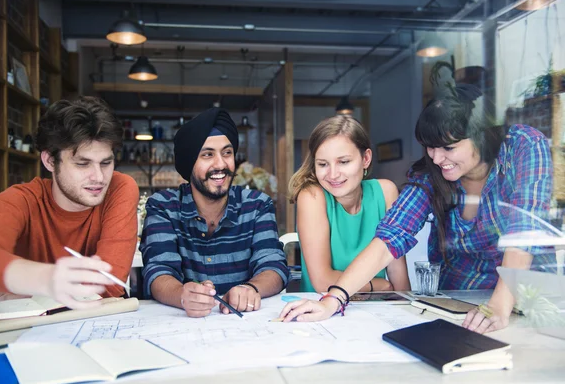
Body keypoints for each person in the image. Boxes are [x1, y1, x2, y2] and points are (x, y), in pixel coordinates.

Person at [279, 90, 553, 333]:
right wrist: (334, 299)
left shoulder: (523, 146)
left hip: (524, 298)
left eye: (448, 147)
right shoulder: (429, 175)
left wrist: (499, 305)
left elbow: (524, 231)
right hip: (456, 301)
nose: (436, 158)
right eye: (430, 147)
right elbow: (391, 237)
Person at [0, 97, 139, 309]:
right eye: (82, 164)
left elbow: (107, 285)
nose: (99, 177)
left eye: (106, 163)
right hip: (30, 333)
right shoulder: (19, 200)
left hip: (93, 323)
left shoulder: (119, 188)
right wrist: (46, 279)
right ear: (49, 160)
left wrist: (27, 293)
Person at [141, 107, 289, 318]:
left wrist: (250, 288)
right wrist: (182, 295)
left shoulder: (257, 205)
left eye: (227, 153)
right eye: (207, 154)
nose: (220, 164)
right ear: (189, 163)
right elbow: (158, 271)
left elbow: (273, 264)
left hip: (246, 327)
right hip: (184, 329)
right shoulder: (163, 207)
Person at [288, 115, 410, 293]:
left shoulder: (386, 192)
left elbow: (397, 272)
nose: (333, 174)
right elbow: (323, 281)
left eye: (343, 162)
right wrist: (377, 285)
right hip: (321, 311)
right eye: (323, 164)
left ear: (366, 159)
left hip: (376, 310)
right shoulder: (312, 196)